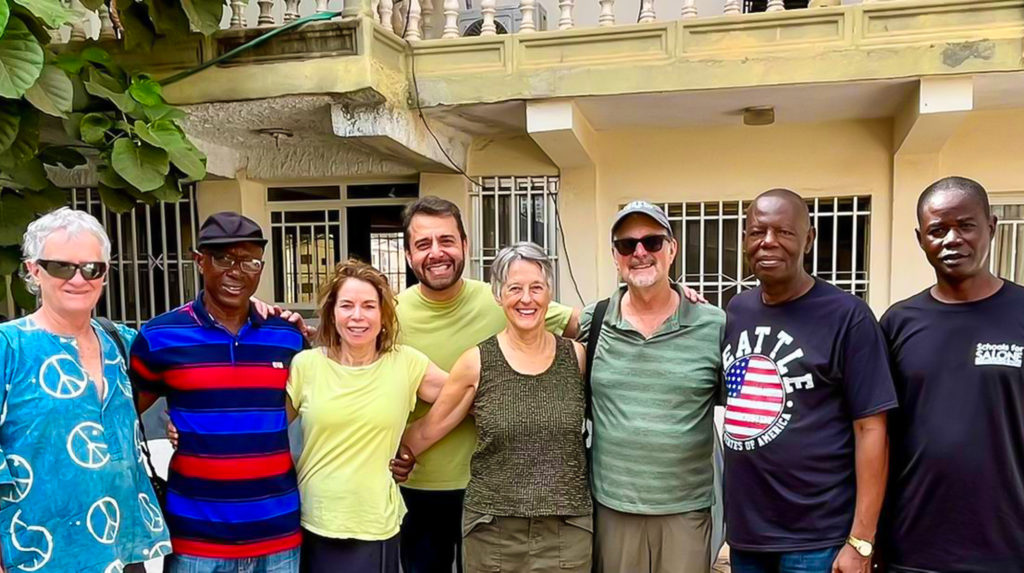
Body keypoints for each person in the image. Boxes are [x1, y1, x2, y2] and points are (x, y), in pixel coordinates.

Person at [392, 196, 579, 573]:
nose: (436, 252)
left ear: (465, 244)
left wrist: (669, 297)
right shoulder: (389, 314)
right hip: (419, 490)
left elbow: (584, 322)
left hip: (495, 496)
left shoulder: (506, 298)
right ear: (409, 255)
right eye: (423, 244)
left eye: (446, 240)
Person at [720, 189, 896, 573]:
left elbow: (871, 429)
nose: (768, 242)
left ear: (809, 239)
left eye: (784, 232)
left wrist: (862, 540)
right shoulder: (736, 310)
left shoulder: (848, 317)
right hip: (748, 536)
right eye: (757, 232)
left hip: (817, 539)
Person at [130, 212, 306, 573]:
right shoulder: (160, 336)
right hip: (196, 541)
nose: (236, 272)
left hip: (278, 536)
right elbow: (123, 415)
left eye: (250, 261)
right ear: (200, 261)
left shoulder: (287, 336)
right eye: (223, 258)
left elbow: (326, 396)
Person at [0, 207, 169, 572]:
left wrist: (254, 312)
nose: (78, 279)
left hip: (123, 549)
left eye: (92, 268)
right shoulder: (8, 347)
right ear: (34, 270)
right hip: (39, 553)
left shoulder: (122, 342)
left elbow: (193, 362)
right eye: (62, 267)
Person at [879, 176, 1024, 572]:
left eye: (966, 225)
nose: (952, 239)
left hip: (1009, 548)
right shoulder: (897, 324)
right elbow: (878, 434)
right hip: (912, 548)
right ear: (920, 239)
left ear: (991, 227)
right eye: (938, 230)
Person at [578, 201, 725, 573]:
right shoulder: (593, 320)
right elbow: (527, 309)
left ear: (672, 249)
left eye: (652, 242)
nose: (640, 252)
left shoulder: (714, 325)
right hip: (612, 510)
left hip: (685, 513)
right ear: (615, 256)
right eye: (627, 245)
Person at [288, 260, 447, 573]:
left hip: (375, 524)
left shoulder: (406, 364)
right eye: (347, 305)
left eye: (369, 306)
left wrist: (414, 440)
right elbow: (265, 427)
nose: (357, 316)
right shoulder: (306, 365)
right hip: (313, 520)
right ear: (332, 313)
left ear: (383, 314)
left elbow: (465, 393)